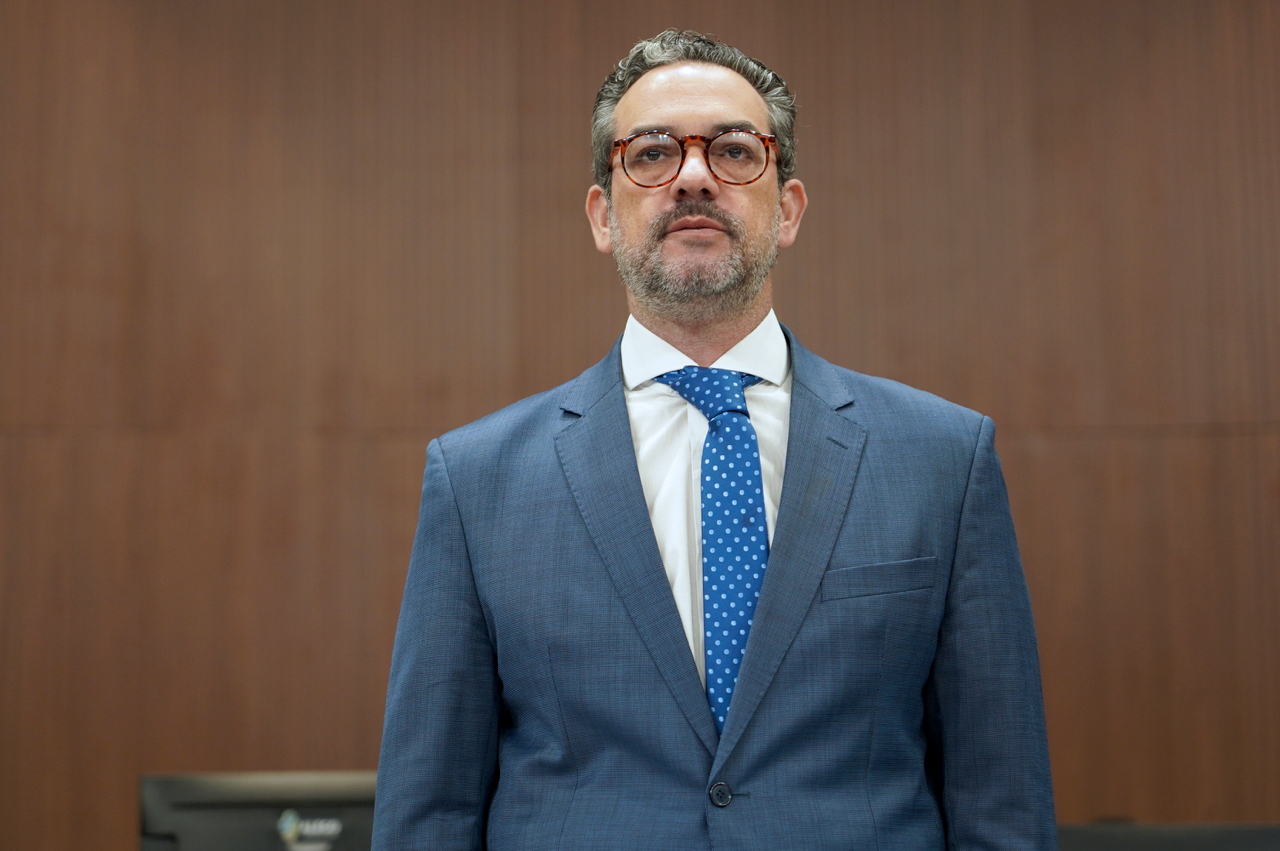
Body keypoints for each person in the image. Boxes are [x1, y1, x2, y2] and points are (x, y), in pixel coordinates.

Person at [373, 29, 1056, 851]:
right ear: (602, 215)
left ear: (788, 210)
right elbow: (430, 812)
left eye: (734, 151)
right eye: (651, 153)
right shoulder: (476, 479)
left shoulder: (942, 459)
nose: (693, 176)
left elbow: (1000, 800)